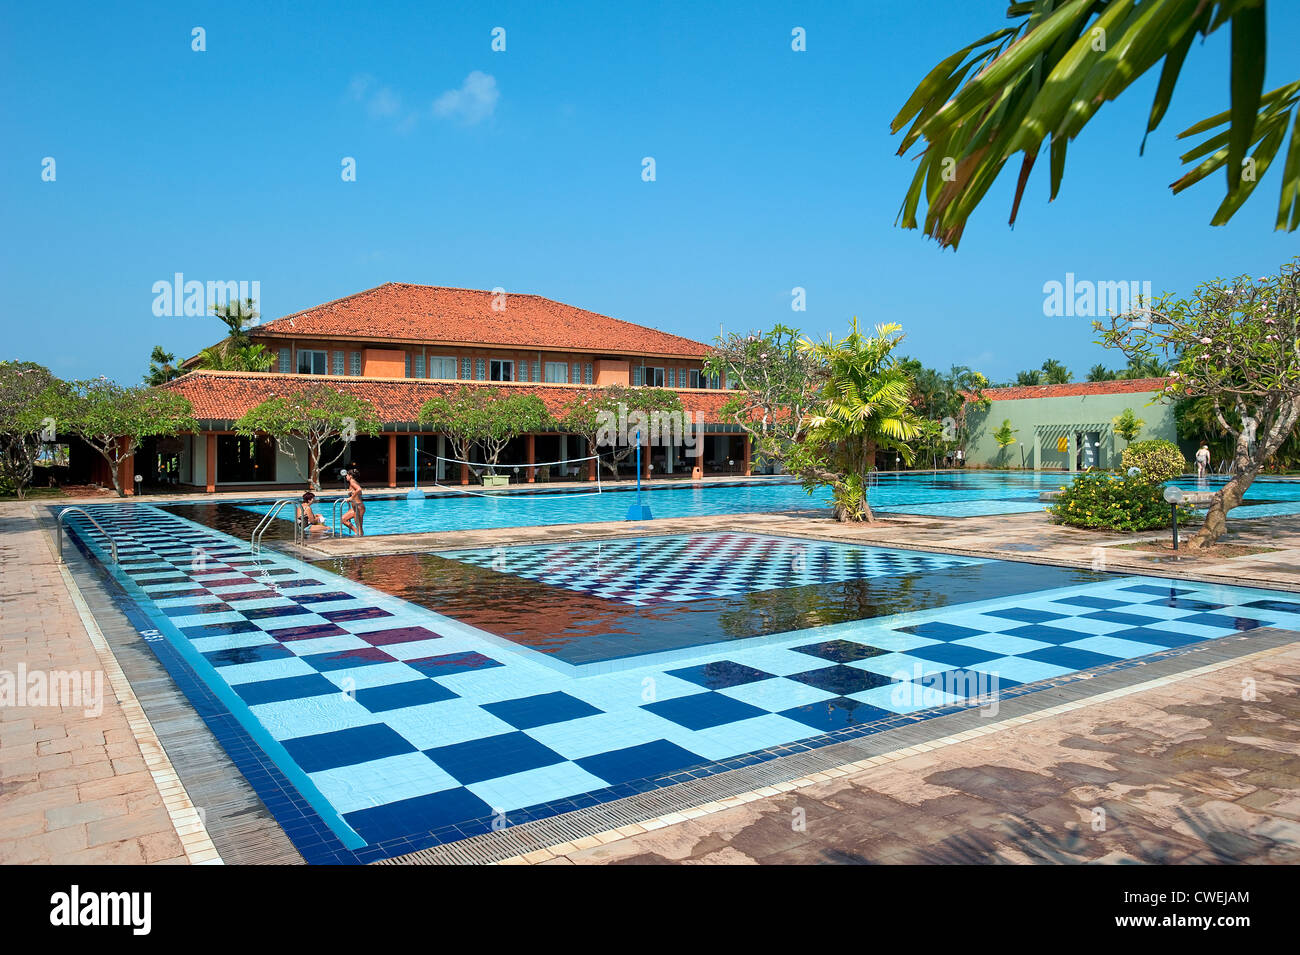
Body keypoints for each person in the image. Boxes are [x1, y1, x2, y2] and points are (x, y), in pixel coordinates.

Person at [341, 469, 365, 536]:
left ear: (350, 476)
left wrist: (351, 497)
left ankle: (359, 536)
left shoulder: (352, 482)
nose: (346, 477)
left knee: (359, 526)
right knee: (343, 519)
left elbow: (359, 489)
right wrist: (351, 493)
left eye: (347, 475)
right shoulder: (353, 482)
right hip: (355, 507)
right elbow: (358, 492)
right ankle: (356, 532)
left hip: (359, 507)